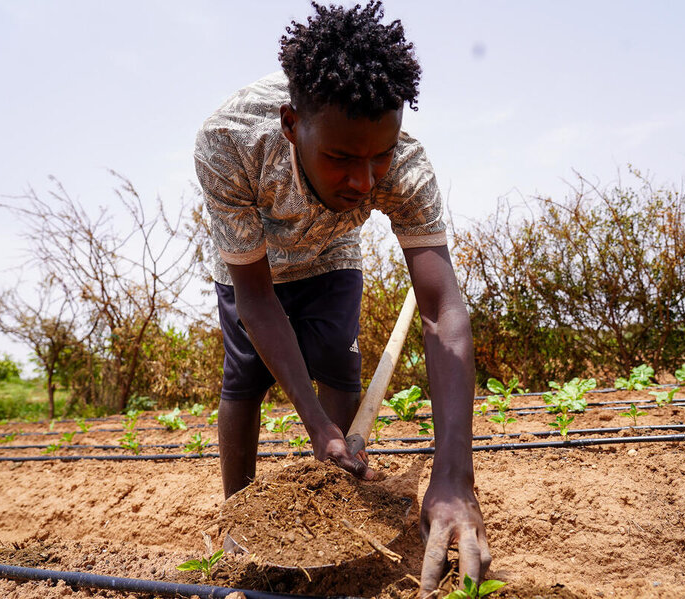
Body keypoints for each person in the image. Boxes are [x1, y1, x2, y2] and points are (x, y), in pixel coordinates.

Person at [194, 1, 491, 594]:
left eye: (378, 156)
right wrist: (313, 425)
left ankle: (338, 490)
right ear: (290, 124)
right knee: (246, 377)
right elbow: (257, 301)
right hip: (251, 260)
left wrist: (455, 476)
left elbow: (441, 310)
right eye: (340, 158)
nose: (363, 182)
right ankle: (238, 518)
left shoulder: (404, 169)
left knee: (335, 356)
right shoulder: (228, 142)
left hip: (331, 253)